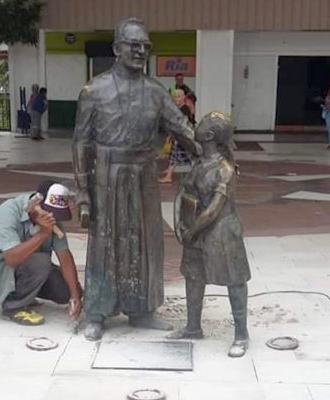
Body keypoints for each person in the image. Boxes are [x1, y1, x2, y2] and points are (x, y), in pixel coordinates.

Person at [73, 17, 201, 341]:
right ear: (117, 48)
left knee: (146, 242)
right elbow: (81, 143)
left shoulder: (156, 92)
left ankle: (142, 310)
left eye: (146, 46)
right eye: (134, 45)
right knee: (105, 243)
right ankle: (97, 312)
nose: (141, 51)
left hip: (143, 174)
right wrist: (83, 191)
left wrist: (212, 152)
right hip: (107, 174)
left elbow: (182, 129)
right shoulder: (93, 90)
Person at [169, 111, 251, 358]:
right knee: (193, 276)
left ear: (210, 135)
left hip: (221, 232)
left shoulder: (224, 170)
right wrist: (178, 223)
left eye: (203, 122)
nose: (198, 123)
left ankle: (241, 334)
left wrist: (192, 231)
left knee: (235, 280)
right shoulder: (198, 163)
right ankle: (193, 327)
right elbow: (182, 192)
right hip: (195, 230)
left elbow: (214, 210)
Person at [0, 180, 83, 326]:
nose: (52, 217)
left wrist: (75, 296)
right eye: (49, 212)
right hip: (3, 274)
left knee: (68, 289)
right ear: (35, 204)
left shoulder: (52, 220)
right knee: (41, 262)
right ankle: (13, 307)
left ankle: (28, 294)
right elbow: (12, 259)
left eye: (56, 214)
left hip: (31, 270)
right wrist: (43, 234)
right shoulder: (8, 212)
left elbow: (65, 258)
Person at [159, 89, 194, 184]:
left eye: (178, 96)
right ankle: (169, 174)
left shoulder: (184, 109)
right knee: (175, 157)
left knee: (183, 157)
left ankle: (169, 176)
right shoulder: (181, 108)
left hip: (182, 137)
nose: (176, 99)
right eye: (175, 96)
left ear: (183, 98)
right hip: (181, 137)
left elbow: (180, 125)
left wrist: (172, 135)